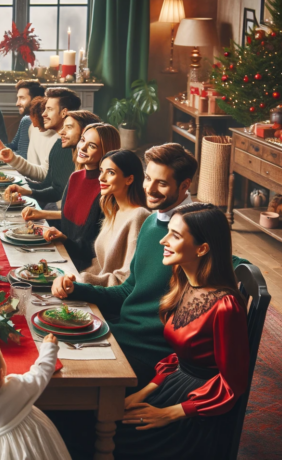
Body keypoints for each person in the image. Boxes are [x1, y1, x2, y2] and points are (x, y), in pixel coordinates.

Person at [50, 143, 199, 386]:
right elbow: (129, 289)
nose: (149, 189)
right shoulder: (152, 222)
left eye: (161, 183)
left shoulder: (197, 232)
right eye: (148, 178)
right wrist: (76, 288)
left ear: (185, 185)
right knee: (47, 344)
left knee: (59, 374)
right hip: (122, 330)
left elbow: (226, 271)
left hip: (150, 352)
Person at [116, 203, 249, 460]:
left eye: (175, 235)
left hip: (199, 409)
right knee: (101, 421)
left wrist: (169, 413)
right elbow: (182, 356)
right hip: (174, 387)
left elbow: (232, 383)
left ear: (202, 248)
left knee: (110, 438)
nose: (163, 240)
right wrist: (144, 391)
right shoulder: (185, 282)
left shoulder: (226, 306)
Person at [24, 123, 121, 271]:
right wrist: (44, 223)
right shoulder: (75, 177)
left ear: (106, 152)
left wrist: (63, 240)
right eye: (82, 140)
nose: (82, 148)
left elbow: (95, 248)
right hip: (60, 251)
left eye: (92, 146)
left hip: (83, 266)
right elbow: (70, 219)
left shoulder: (106, 190)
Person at [77, 150, 150, 287]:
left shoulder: (139, 216)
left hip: (112, 299)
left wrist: (84, 280)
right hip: (97, 288)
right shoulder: (113, 210)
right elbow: (103, 266)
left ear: (129, 179)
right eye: (101, 171)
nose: (101, 178)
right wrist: (75, 276)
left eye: (110, 172)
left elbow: (126, 278)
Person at [4, 108, 99, 208]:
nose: (61, 132)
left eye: (69, 127)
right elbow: (51, 186)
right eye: (63, 127)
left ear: (86, 132)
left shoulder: (95, 169)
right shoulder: (59, 146)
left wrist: (43, 214)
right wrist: (23, 188)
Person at [0, 80, 45, 160]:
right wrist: (0, 147)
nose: (17, 103)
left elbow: (24, 156)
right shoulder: (25, 119)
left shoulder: (29, 121)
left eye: (22, 98)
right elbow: (14, 145)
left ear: (36, 99)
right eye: (17, 98)